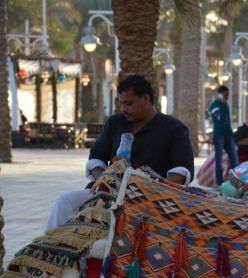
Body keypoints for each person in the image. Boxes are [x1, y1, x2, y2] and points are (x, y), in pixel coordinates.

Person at [45, 75, 194, 231]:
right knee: (65, 201)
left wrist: (155, 188)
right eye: (121, 103)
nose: (123, 109)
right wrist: (107, 180)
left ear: (146, 99)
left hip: (150, 199)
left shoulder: (174, 129)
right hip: (107, 193)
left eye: (128, 104)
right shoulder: (115, 123)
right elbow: (96, 158)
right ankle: (44, 252)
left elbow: (183, 170)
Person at [209, 86, 239, 185]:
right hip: (219, 135)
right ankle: (219, 183)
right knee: (219, 161)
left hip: (228, 135)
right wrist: (222, 104)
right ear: (220, 94)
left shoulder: (225, 105)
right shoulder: (214, 105)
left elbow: (227, 122)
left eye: (228, 95)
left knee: (234, 160)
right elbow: (220, 118)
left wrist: (232, 134)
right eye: (225, 95)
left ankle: (236, 182)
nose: (227, 97)